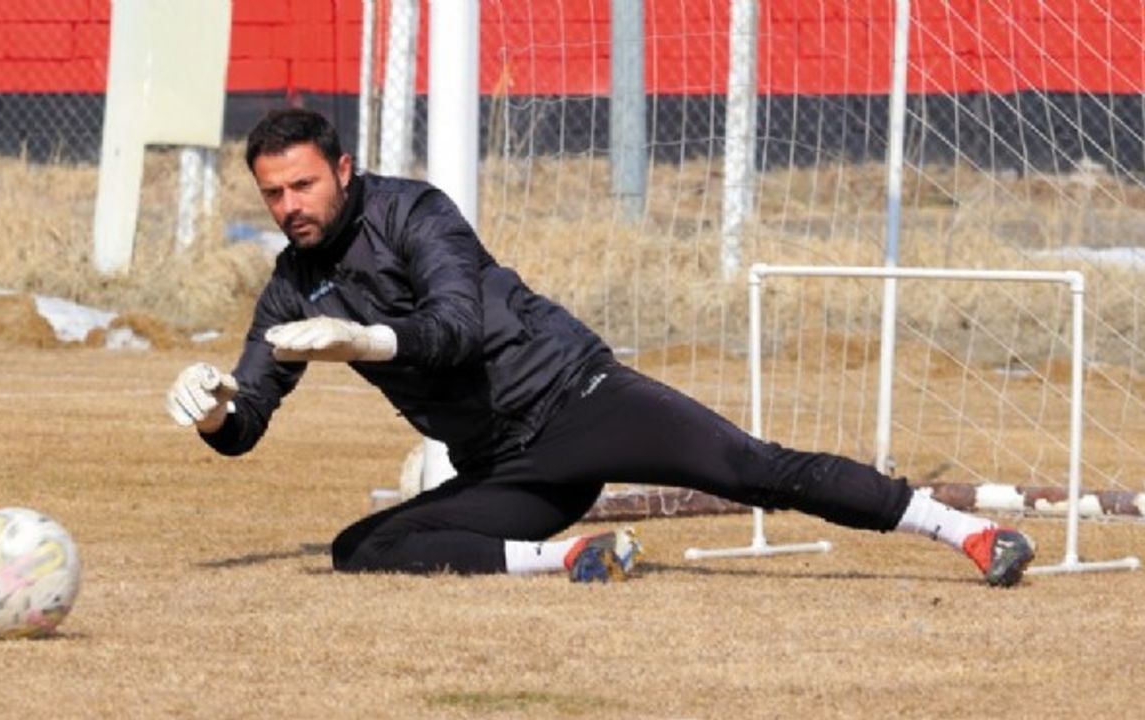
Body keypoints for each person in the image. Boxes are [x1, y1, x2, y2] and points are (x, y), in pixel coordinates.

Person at [166, 107, 1036, 586]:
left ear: (343, 170)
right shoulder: (289, 285)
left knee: (755, 469)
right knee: (360, 550)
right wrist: (214, 411)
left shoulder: (416, 212)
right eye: (273, 194)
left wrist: (366, 340)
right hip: (508, 467)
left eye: (303, 185)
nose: (290, 207)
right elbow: (248, 422)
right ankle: (573, 557)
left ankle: (965, 530)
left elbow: (457, 328)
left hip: (580, 400)